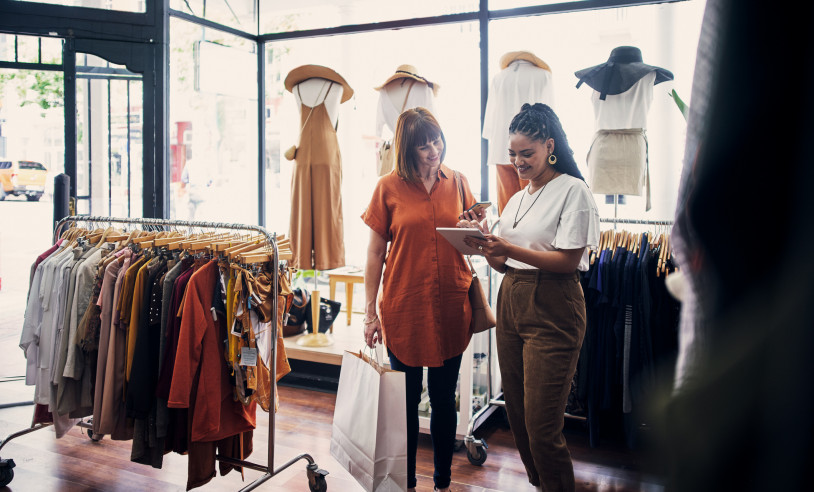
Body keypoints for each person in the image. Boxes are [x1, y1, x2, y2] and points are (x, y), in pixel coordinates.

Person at [461, 103, 600, 492]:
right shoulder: (518, 199)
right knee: (519, 420)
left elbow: (567, 261)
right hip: (512, 301)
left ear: (549, 146)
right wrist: (489, 248)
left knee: (542, 426)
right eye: (513, 155)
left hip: (554, 306)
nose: (518, 162)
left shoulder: (573, 191)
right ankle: (541, 484)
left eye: (527, 154)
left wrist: (508, 247)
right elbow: (507, 264)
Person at [362, 107, 482, 492]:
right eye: (423, 145)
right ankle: (408, 481)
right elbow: (375, 254)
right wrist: (369, 313)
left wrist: (475, 229)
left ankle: (443, 481)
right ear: (407, 149)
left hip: (451, 302)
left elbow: (476, 239)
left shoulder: (459, 182)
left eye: (437, 140)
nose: (434, 151)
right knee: (407, 401)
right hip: (404, 306)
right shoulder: (387, 188)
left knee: (445, 399)